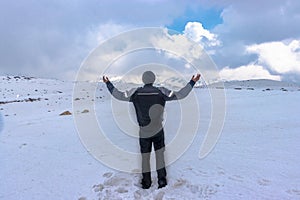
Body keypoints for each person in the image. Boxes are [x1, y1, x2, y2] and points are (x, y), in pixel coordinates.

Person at [103, 71, 200, 189]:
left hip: (144, 131)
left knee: (145, 157)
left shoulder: (135, 92)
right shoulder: (161, 91)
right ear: (153, 80)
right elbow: (181, 94)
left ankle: (146, 182)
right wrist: (192, 82)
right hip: (158, 130)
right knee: (160, 155)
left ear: (143, 80)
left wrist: (108, 83)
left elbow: (118, 95)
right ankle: (162, 181)